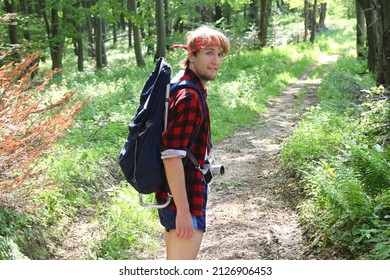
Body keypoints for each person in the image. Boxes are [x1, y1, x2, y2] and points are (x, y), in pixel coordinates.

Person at [155, 26, 230, 260]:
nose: (215, 61)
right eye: (208, 53)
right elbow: (171, 155)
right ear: (191, 55)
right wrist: (184, 212)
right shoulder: (190, 97)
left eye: (219, 54)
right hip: (183, 198)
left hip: (181, 196)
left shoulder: (187, 85)